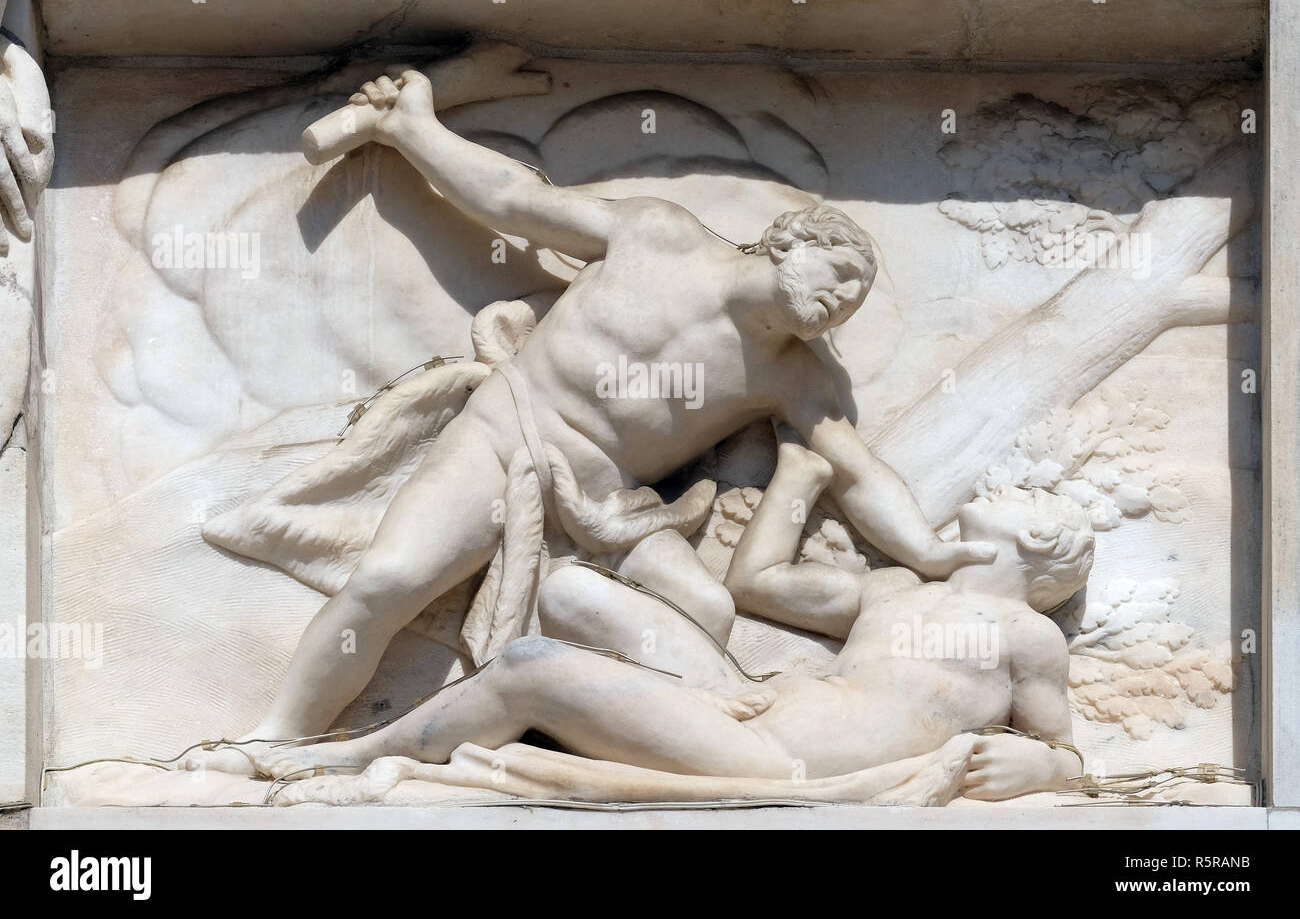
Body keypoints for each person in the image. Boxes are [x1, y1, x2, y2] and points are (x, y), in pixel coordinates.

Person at [195, 66, 995, 774]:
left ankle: (611, 741)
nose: (838, 302)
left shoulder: (796, 374)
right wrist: (415, 131)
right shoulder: (656, 233)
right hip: (510, 431)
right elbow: (516, 202)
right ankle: (275, 741)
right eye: (841, 274)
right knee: (389, 580)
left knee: (706, 609)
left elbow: (857, 469)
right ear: (793, 240)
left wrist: (925, 547)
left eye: (852, 301)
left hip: (611, 499)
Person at [254, 430, 1090, 802]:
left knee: (528, 665)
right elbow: (758, 581)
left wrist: (1042, 772)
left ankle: (341, 758)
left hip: (778, 754)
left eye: (1021, 496)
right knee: (572, 590)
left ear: (1045, 538)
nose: (1001, 488)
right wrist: (796, 478)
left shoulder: (1026, 635)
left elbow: (1065, 750)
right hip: (750, 700)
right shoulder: (895, 589)